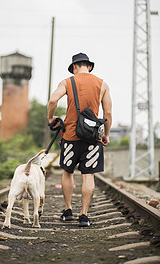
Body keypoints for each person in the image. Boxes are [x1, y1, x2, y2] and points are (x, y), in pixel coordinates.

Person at [47, 52, 112, 227]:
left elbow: (53, 100)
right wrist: (105, 134)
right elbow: (107, 113)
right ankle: (83, 215)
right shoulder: (103, 84)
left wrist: (51, 118)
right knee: (88, 175)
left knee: (68, 172)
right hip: (92, 138)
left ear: (74, 67)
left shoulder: (67, 82)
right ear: (89, 66)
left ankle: (68, 211)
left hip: (70, 137)